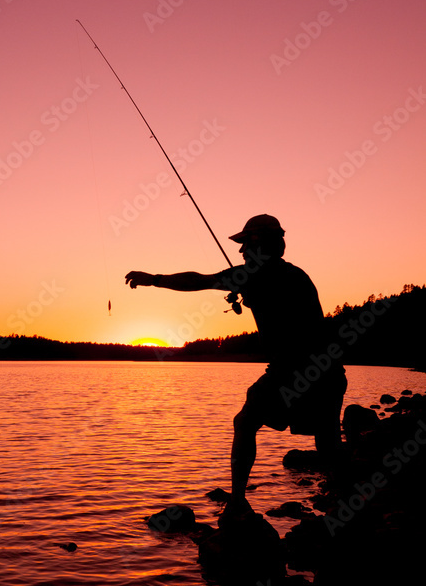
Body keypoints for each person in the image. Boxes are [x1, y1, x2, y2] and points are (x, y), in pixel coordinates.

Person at [125, 214, 347, 524]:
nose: (241, 252)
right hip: (330, 370)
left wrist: (155, 279)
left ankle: (239, 502)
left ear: (258, 245)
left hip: (295, 368)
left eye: (245, 244)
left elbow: (197, 280)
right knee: (327, 440)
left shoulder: (254, 274)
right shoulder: (296, 275)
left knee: (245, 422)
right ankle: (345, 504)